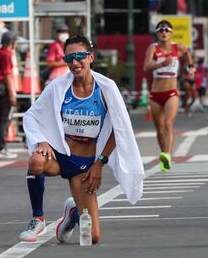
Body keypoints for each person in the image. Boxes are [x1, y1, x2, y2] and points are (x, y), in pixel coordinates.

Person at [20, 35, 144, 243]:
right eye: (69, 59)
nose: (74, 63)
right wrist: (41, 140)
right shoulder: (58, 87)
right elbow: (32, 115)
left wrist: (100, 163)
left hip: (85, 166)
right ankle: (37, 219)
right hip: (60, 157)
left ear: (91, 57)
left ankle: (73, 213)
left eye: (79, 56)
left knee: (93, 236)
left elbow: (119, 128)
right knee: (36, 160)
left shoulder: (106, 88)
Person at [143, 20, 194, 172]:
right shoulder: (153, 48)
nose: (163, 32)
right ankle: (163, 151)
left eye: (166, 30)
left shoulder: (178, 47)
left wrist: (191, 69)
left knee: (168, 124)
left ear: (170, 33)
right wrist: (161, 64)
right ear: (157, 33)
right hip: (156, 93)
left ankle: (167, 155)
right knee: (159, 130)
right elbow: (146, 67)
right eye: (160, 30)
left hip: (171, 91)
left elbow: (188, 55)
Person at [0, 31, 19, 160]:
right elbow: (7, 75)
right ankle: (2, 147)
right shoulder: (7, 55)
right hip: (5, 90)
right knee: (5, 119)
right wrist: (12, 94)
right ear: (11, 41)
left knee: (0, 119)